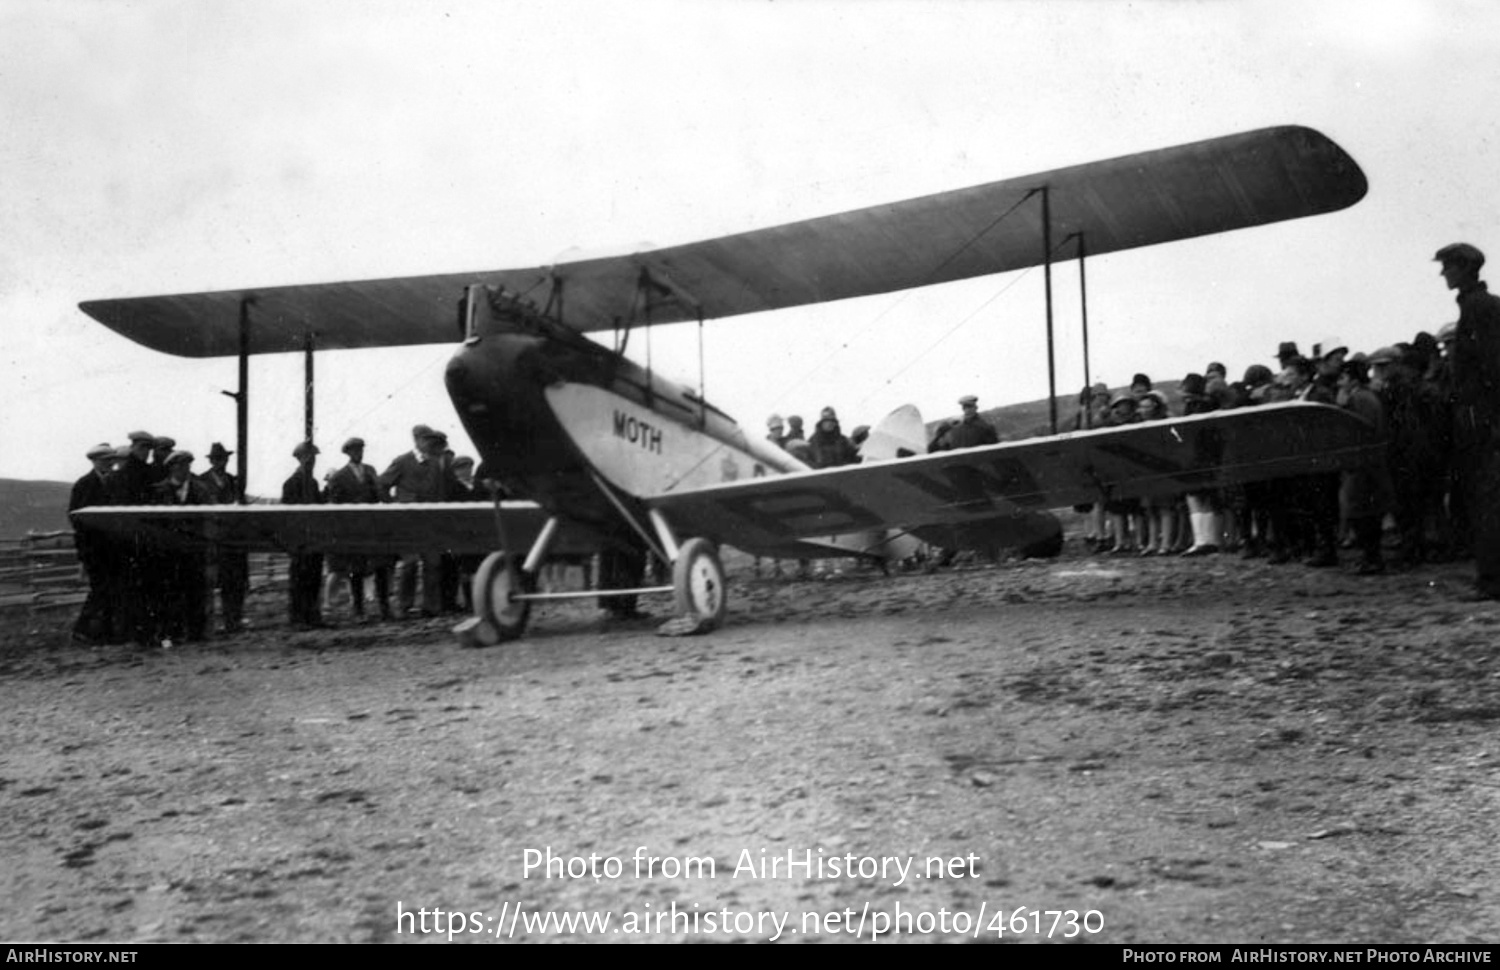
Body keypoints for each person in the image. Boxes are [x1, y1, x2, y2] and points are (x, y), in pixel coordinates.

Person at [1436, 242, 1500, 598]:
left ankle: (1491, 581)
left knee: (1488, 503)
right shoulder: (1476, 306)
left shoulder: (1480, 308)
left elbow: (1492, 368)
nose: (1443, 272)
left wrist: (1485, 418)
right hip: (1480, 422)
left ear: (1463, 268)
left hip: (1484, 424)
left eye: (1447, 266)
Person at [379, 425, 460, 616]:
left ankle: (431, 607)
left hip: (431, 522)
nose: (429, 442)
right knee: (410, 563)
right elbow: (381, 483)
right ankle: (403, 606)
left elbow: (441, 492)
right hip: (407, 522)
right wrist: (393, 506)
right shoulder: (402, 461)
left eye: (431, 439)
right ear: (416, 440)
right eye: (426, 439)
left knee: (433, 562)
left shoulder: (435, 463)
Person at [325, 437, 392, 621]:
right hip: (353, 529)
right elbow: (336, 505)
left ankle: (385, 608)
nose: (359, 453)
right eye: (355, 450)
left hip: (373, 528)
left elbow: (379, 494)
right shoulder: (339, 476)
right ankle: (358, 610)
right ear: (348, 453)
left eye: (361, 449)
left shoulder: (370, 471)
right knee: (356, 570)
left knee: (380, 567)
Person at [150, 450, 212, 644]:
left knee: (195, 591)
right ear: (172, 468)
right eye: (180, 466)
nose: (184, 470)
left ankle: (196, 633)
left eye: (187, 466)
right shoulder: (158, 491)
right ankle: (172, 632)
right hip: (168, 551)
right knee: (170, 593)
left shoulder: (201, 490)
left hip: (193, 549)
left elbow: (209, 518)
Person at [68, 443, 119, 643]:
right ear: (95, 461)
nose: (109, 464)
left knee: (110, 588)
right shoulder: (84, 485)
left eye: (111, 460)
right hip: (93, 547)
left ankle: (104, 632)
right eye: (105, 461)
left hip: (113, 546)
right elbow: (75, 517)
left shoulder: (115, 483)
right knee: (100, 588)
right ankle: (82, 629)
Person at [197, 442, 249, 634]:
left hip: (233, 537)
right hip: (213, 537)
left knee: (235, 581)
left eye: (224, 458)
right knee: (211, 582)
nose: (222, 462)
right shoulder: (201, 481)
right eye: (218, 459)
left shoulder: (234, 481)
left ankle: (233, 620)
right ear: (211, 461)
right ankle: (209, 623)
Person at [281, 441, 325, 628]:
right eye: (307, 458)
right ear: (299, 459)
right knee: (299, 578)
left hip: (313, 538)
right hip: (299, 539)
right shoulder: (292, 483)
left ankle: (312, 615)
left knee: (314, 577)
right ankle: (298, 618)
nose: (311, 462)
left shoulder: (313, 483)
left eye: (313, 458)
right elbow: (287, 515)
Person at [929, 395, 999, 451]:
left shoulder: (984, 427)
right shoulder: (954, 428)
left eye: (970, 407)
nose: (967, 410)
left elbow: (993, 449)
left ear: (975, 407)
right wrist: (939, 435)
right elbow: (934, 449)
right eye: (965, 407)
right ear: (962, 409)